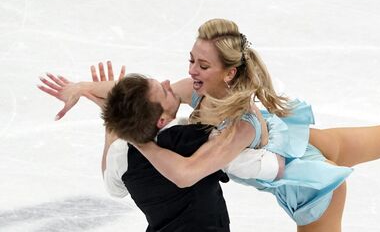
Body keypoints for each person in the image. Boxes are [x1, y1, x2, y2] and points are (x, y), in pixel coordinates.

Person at [39, 19, 380, 232]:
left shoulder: (237, 125)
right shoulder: (199, 90)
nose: (188, 73)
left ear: (228, 73)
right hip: (300, 142)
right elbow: (143, 99)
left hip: (309, 186)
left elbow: (182, 169)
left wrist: (131, 135)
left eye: (201, 66)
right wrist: (85, 89)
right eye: (189, 60)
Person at [39, 65, 284, 232]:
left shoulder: (122, 153)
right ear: (162, 121)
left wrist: (112, 119)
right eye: (164, 90)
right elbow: (271, 166)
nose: (169, 84)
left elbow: (113, 187)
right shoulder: (193, 140)